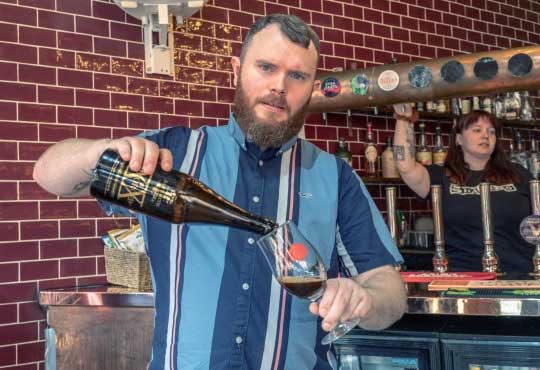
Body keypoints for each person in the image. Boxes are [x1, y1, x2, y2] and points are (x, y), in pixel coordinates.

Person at [34, 14, 406, 370]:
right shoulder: (173, 156)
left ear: (311, 87)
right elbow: (49, 174)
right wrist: (100, 152)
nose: (279, 86)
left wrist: (366, 299)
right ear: (236, 70)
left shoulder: (335, 177)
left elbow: (391, 292)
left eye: (296, 75)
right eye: (266, 67)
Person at [393, 104, 534, 272]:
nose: (486, 135)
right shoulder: (442, 176)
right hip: (463, 280)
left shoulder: (518, 174)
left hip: (519, 276)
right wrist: (403, 119)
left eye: (491, 131)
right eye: (477, 130)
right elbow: (405, 166)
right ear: (459, 139)